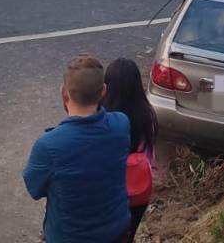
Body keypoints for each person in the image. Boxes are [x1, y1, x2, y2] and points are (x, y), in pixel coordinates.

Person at [23, 55, 131, 243]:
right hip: (117, 231)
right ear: (103, 91)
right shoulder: (121, 124)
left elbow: (34, 189)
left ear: (64, 93)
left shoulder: (48, 146)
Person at [101, 58, 157, 243]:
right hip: (139, 190)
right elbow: (149, 155)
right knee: (128, 234)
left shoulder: (103, 116)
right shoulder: (147, 115)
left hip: (111, 191)